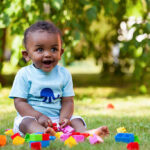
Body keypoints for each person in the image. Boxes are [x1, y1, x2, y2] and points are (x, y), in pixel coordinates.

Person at [9, 21, 109, 140]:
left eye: (54, 49)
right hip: (33, 118)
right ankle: (45, 134)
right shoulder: (24, 74)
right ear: (27, 55)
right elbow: (20, 102)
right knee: (25, 123)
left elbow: (68, 101)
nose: (48, 54)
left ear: (61, 52)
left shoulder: (64, 74)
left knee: (76, 119)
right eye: (40, 50)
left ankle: (85, 133)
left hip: (57, 119)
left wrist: (64, 118)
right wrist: (39, 116)